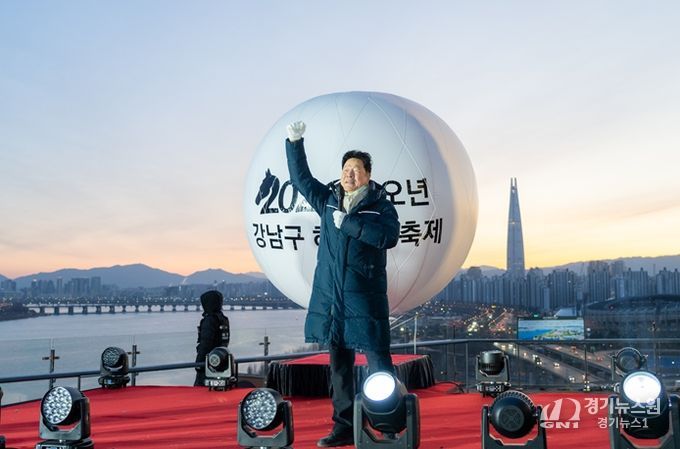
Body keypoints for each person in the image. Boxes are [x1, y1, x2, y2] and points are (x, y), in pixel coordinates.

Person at [285, 121, 400, 447]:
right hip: (332, 300)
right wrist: (295, 142)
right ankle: (343, 428)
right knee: (339, 370)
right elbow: (301, 180)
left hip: (364, 300)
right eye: (346, 169)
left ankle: (389, 426)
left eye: (356, 170)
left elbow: (388, 237)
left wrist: (349, 224)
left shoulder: (380, 206)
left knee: (380, 366)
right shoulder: (327, 200)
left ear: (368, 174)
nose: (350, 175)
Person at [194, 290, 230, 386]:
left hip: (208, 363)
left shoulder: (209, 320)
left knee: (201, 390)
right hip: (221, 360)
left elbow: (205, 343)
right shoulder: (223, 319)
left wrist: (198, 363)